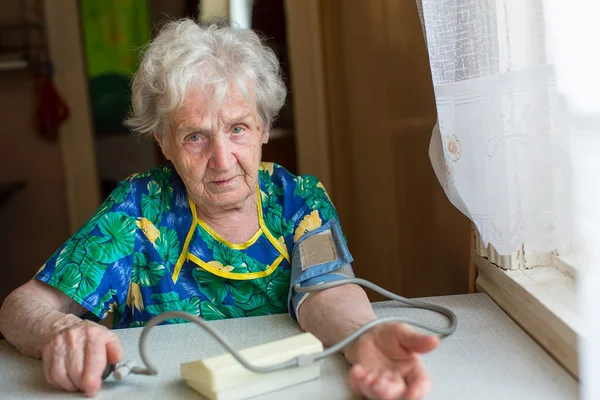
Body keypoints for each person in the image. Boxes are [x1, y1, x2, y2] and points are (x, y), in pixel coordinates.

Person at [0, 19, 439, 400]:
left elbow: (328, 291)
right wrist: (61, 331)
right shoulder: (137, 210)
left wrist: (364, 336)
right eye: (195, 137)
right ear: (164, 142)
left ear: (265, 127)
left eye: (238, 128)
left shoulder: (297, 199)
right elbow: (22, 307)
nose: (223, 159)